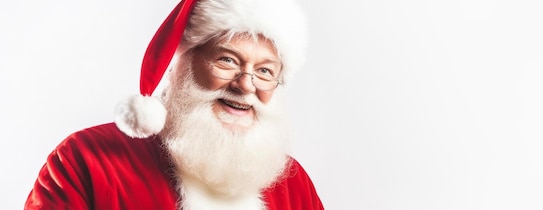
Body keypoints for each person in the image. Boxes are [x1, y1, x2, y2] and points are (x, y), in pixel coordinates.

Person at [24, 0, 324, 209]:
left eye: (264, 71)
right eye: (227, 60)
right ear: (182, 64)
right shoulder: (89, 158)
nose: (246, 85)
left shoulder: (292, 182)